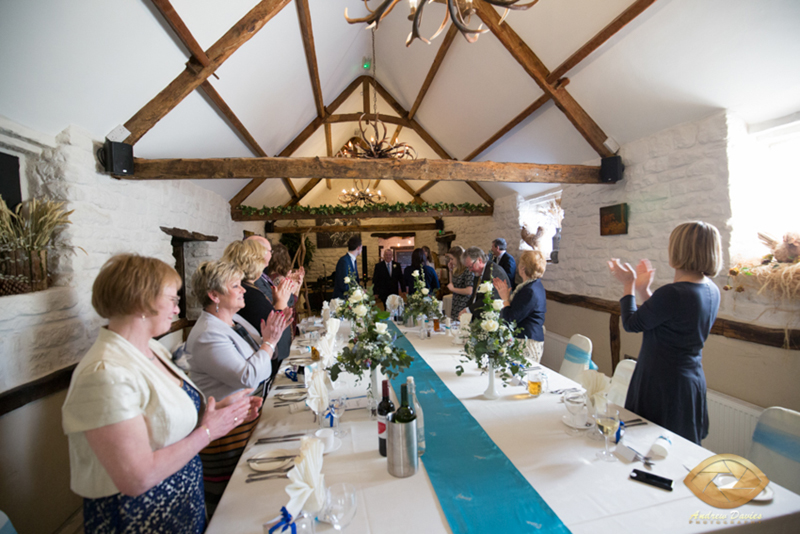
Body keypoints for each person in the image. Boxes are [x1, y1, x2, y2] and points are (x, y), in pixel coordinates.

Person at [62, 254, 257, 533]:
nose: (177, 309)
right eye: (172, 299)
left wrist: (221, 410)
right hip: (141, 516)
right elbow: (137, 478)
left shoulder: (151, 349)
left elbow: (164, 419)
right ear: (141, 302)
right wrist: (208, 432)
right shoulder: (104, 373)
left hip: (182, 502)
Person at [185, 259, 291, 514]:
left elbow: (264, 361)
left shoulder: (235, 321)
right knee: (234, 506)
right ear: (214, 295)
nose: (243, 289)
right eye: (235, 285)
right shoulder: (207, 334)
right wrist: (269, 343)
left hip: (247, 418)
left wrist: (269, 343)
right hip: (227, 435)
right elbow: (249, 375)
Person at [608, 221, 722, 444]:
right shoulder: (711, 289)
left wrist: (628, 284)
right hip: (689, 379)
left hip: (662, 382)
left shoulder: (674, 293)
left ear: (679, 250)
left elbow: (631, 324)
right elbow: (668, 319)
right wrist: (644, 290)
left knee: (649, 445)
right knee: (677, 447)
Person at [222, 240, 295, 385]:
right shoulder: (248, 293)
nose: (266, 262)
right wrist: (281, 303)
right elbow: (274, 332)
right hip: (260, 371)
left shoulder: (250, 289)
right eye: (262, 258)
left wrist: (277, 302)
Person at [493, 251, 547, 363]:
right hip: (526, 339)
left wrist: (505, 299)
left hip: (527, 342)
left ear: (522, 268)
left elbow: (510, 319)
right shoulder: (534, 285)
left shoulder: (530, 290)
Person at [461, 246, 510, 319]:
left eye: (470, 266)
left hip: (493, 318)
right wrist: (466, 309)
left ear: (479, 260)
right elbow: (475, 296)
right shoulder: (479, 272)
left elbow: (489, 299)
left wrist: (469, 310)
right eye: (468, 267)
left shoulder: (495, 272)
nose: (470, 270)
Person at [445, 246, 474, 320]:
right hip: (456, 303)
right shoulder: (458, 269)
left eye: (452, 259)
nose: (450, 261)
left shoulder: (467, 270)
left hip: (463, 304)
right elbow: (452, 284)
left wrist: (453, 289)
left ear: (458, 258)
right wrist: (450, 271)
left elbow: (469, 291)